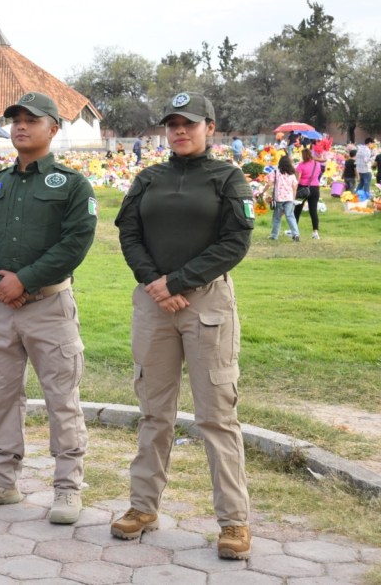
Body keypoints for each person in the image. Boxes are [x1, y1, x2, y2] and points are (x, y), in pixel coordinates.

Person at [113, 92, 255, 560]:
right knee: (154, 412)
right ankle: (142, 507)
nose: (179, 131)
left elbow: (235, 241)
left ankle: (233, 521)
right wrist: (155, 283)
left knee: (216, 416)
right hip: (153, 303)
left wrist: (178, 282)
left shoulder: (227, 178)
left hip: (206, 304)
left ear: (209, 127)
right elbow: (129, 233)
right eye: (172, 124)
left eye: (189, 124)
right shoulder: (148, 178)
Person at [0, 91, 97, 524]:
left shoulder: (72, 185)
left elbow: (76, 242)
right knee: (1, 396)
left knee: (62, 399)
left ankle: (68, 487)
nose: (21, 126)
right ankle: (3, 481)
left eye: (31, 120)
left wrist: (25, 280)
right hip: (1, 309)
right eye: (15, 119)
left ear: (53, 128)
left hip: (49, 306)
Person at [293, 148, 323, 240]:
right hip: (315, 188)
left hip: (302, 189)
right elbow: (318, 174)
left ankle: (294, 230)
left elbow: (297, 180)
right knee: (313, 211)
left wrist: (294, 191)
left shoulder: (301, 165)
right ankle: (315, 232)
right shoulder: (317, 164)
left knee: (297, 210)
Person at [268, 155, 300, 241]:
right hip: (289, 198)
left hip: (279, 198)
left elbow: (269, 183)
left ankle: (274, 235)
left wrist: (263, 191)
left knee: (277, 217)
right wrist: (293, 198)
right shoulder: (292, 174)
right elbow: (294, 187)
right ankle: (296, 234)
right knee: (290, 216)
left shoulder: (275, 172)